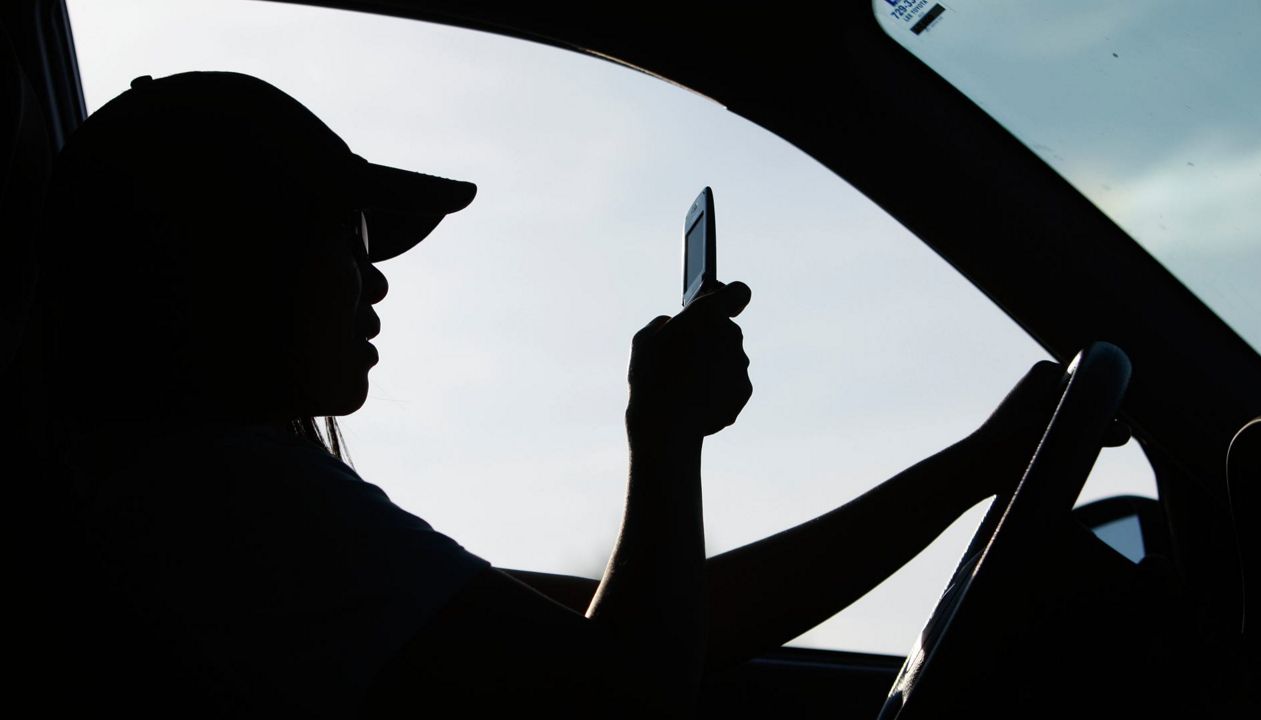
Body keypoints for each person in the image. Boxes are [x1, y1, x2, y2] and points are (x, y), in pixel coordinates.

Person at [34, 71, 1074, 717]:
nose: (377, 276)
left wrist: (977, 467)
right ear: (224, 262)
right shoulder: (223, 501)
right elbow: (619, 700)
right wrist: (663, 437)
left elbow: (656, 630)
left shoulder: (194, 505)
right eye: (346, 242)